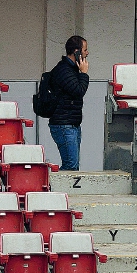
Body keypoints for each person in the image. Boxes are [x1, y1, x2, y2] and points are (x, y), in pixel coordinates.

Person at [49, 35, 90, 171]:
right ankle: (55, 191)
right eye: (85, 50)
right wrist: (83, 73)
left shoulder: (71, 70)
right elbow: (79, 91)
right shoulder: (64, 71)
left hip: (71, 124)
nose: (87, 53)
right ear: (76, 51)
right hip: (64, 125)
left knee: (73, 166)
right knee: (70, 166)